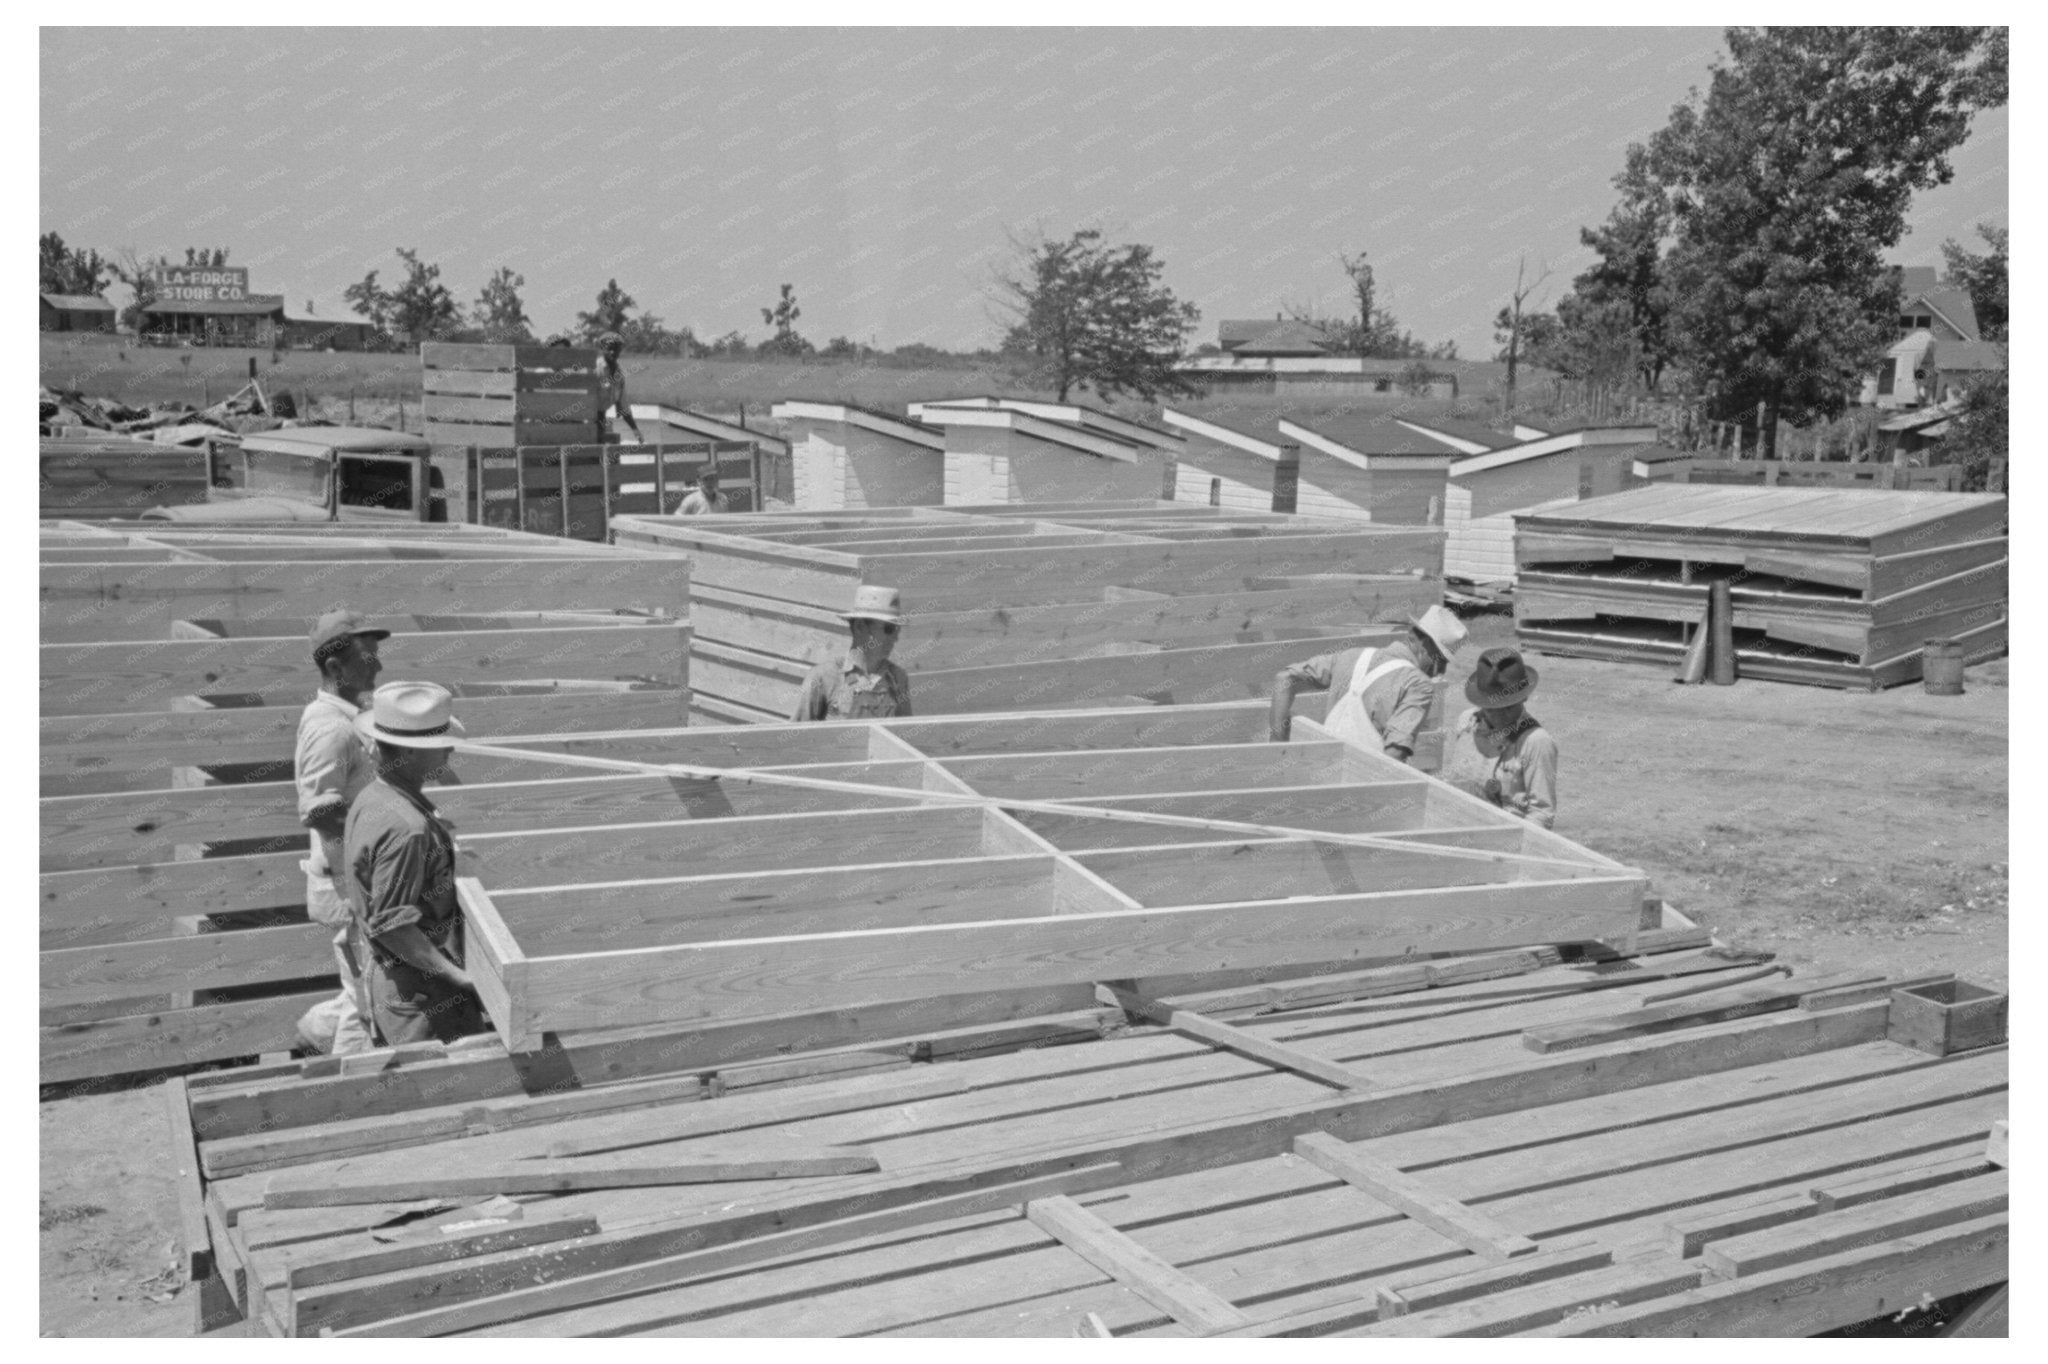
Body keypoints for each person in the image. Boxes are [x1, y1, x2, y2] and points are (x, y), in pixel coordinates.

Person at [343, 681, 488, 1046]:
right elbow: (392, 925)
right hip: (423, 995)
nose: (449, 750)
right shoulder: (408, 828)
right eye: (438, 745)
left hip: (404, 984)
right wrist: (461, 978)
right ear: (409, 750)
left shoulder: (374, 796)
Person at [291, 609, 389, 1056]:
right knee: (366, 992)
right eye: (368, 658)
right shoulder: (329, 726)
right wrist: (383, 835)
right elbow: (318, 811)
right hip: (349, 879)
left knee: (358, 981)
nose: (379, 666)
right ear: (335, 667)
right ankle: (351, 1087)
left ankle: (312, 1034)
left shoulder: (350, 716)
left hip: (355, 873)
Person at [1269, 604, 1468, 763]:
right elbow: (1395, 754)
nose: (1440, 671)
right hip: (1363, 786)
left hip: (1322, 766)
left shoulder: (1351, 656)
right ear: (1421, 644)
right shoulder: (1418, 684)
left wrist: (1278, 748)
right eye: (1439, 659)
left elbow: (1284, 679)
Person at [1454, 647, 1558, 830]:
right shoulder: (1467, 724)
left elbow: (1541, 814)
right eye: (1490, 707)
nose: (1497, 715)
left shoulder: (1536, 742)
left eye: (1507, 707)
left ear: (1524, 697)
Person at [791, 585, 913, 721]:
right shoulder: (823, 678)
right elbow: (798, 736)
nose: (895, 638)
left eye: (897, 630)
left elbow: (904, 734)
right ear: (860, 627)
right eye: (889, 629)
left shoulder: (898, 678)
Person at [594, 331, 643, 442]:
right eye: (609, 348)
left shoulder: (618, 375)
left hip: (601, 420)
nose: (613, 352)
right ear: (602, 349)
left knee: (603, 450)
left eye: (616, 349)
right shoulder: (596, 368)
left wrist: (635, 430)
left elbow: (623, 406)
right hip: (587, 419)